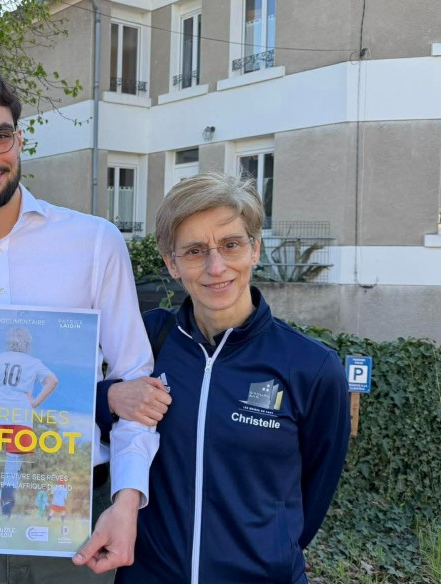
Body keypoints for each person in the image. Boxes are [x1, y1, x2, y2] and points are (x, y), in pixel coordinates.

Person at [0, 66, 172, 583]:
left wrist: (128, 502)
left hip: (73, 517)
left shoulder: (95, 244)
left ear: (18, 140)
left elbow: (137, 384)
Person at [112, 173, 350, 583]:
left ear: (255, 249)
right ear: (171, 264)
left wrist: (269, 554)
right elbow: (84, 413)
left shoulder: (311, 367)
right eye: (195, 251)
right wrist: (112, 397)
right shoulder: (148, 339)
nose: (216, 267)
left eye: (231, 245)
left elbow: (315, 492)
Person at [0, 326, 59, 517]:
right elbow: (52, 381)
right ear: (28, 343)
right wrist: (35, 402)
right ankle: (5, 516)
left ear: (8, 342)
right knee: (12, 471)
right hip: (21, 417)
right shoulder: (34, 363)